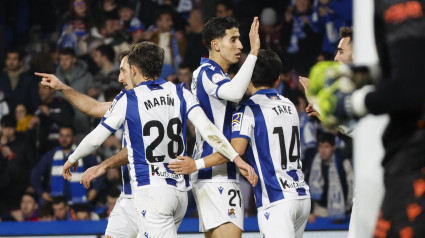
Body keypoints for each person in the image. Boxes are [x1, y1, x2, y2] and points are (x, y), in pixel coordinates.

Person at [61, 41, 256, 238]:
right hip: (179, 194)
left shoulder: (129, 98)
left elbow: (95, 139)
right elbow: (209, 131)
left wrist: (72, 158)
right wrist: (236, 158)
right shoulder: (181, 92)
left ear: (134, 69)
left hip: (152, 192)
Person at [310, 0, 425, 236]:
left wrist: (351, 105)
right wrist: (358, 75)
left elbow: (410, 88)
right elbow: (403, 68)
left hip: (413, 159)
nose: (335, 57)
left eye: (341, 52)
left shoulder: (399, 5)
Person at [170, 50, 311, 238]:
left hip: (277, 199)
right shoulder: (290, 105)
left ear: (248, 78)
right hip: (301, 194)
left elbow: (234, 151)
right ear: (277, 80)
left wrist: (196, 164)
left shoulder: (248, 110)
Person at [36, 52, 139, 238]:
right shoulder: (129, 100)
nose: (119, 78)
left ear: (135, 71)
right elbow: (93, 108)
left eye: (123, 71)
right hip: (130, 194)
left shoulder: (137, 102)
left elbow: (134, 149)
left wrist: (94, 163)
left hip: (150, 192)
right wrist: (62, 87)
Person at [189, 16, 260, 237]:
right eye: (234, 39)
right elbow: (234, 93)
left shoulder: (219, 75)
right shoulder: (207, 72)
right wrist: (254, 52)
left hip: (217, 172)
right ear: (215, 45)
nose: (240, 46)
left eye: (241, 40)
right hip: (215, 174)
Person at [30, 126, 103, 204]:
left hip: (81, 203)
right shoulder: (51, 155)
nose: (64, 139)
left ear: (73, 138)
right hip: (56, 204)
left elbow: (100, 170)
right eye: (61, 136)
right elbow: (35, 174)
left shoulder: (83, 153)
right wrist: (41, 193)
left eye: (67, 136)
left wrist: (95, 190)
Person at [306, 132, 353, 222]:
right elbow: (307, 187)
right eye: (320, 146)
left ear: (334, 147)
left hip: (342, 209)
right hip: (320, 210)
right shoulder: (313, 163)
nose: (323, 150)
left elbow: (351, 188)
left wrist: (346, 210)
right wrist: (310, 211)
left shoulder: (343, 163)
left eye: (326, 147)